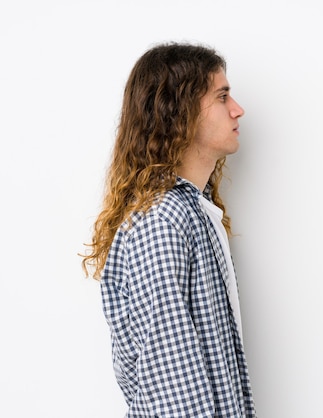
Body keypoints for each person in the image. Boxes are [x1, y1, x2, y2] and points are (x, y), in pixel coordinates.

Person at [81, 42, 256, 417]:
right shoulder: (162, 221)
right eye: (222, 96)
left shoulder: (191, 210)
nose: (237, 109)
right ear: (181, 112)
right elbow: (174, 390)